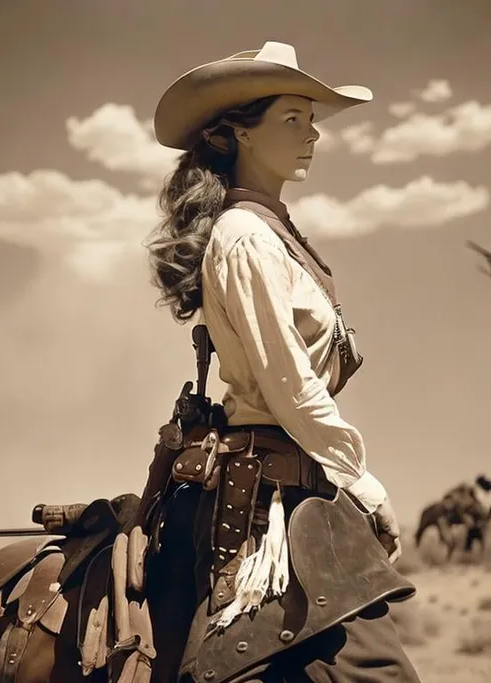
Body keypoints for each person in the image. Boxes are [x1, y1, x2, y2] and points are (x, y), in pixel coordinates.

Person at [144, 41, 422, 683]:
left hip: (301, 486)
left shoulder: (272, 231)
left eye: (313, 119)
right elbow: (287, 381)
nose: (313, 134)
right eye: (293, 119)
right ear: (238, 133)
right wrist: (360, 478)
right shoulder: (244, 238)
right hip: (271, 499)